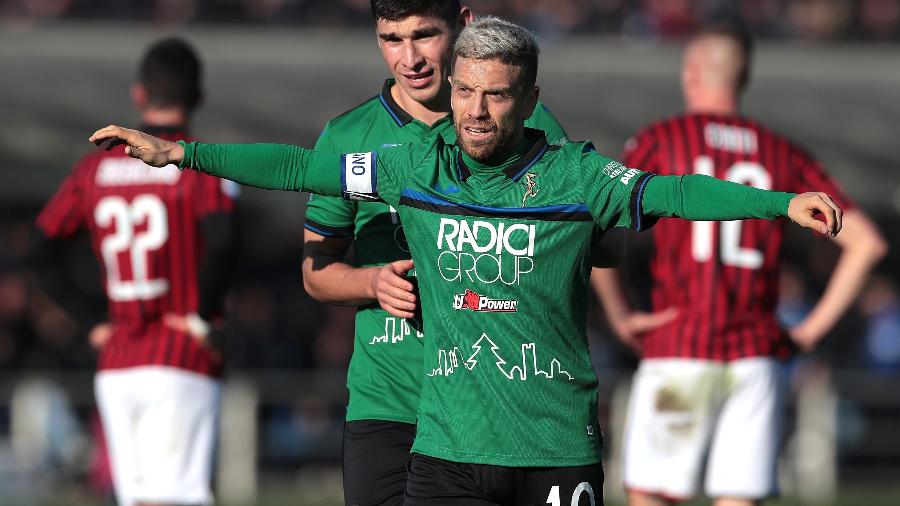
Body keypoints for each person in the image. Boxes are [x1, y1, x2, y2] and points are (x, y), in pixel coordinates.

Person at [89, 17, 842, 505]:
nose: (478, 112)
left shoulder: (576, 176)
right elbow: (294, 168)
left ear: (531, 100)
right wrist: (177, 153)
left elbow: (674, 192)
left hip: (552, 444)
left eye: (497, 97)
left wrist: (781, 205)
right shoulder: (412, 165)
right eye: (467, 94)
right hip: (445, 452)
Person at [591, 25, 887, 506]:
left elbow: (600, 222)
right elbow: (867, 243)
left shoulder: (662, 140)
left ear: (691, 73)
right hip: (755, 356)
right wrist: (810, 332)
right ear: (742, 77)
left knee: (655, 497)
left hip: (679, 344)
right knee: (739, 499)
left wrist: (620, 313)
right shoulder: (781, 151)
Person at [301, 2, 569, 504]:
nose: (410, 58)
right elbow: (316, 272)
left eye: (424, 35)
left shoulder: (527, 122)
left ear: (464, 24)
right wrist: (371, 282)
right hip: (388, 406)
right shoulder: (346, 138)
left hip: (500, 404)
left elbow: (591, 243)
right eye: (391, 39)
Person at [32, 38, 238, 506]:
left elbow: (39, 248)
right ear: (198, 98)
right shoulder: (200, 163)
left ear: (139, 95)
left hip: (118, 361)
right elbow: (224, 243)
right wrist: (203, 317)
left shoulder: (94, 169)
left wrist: (91, 324)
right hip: (181, 352)